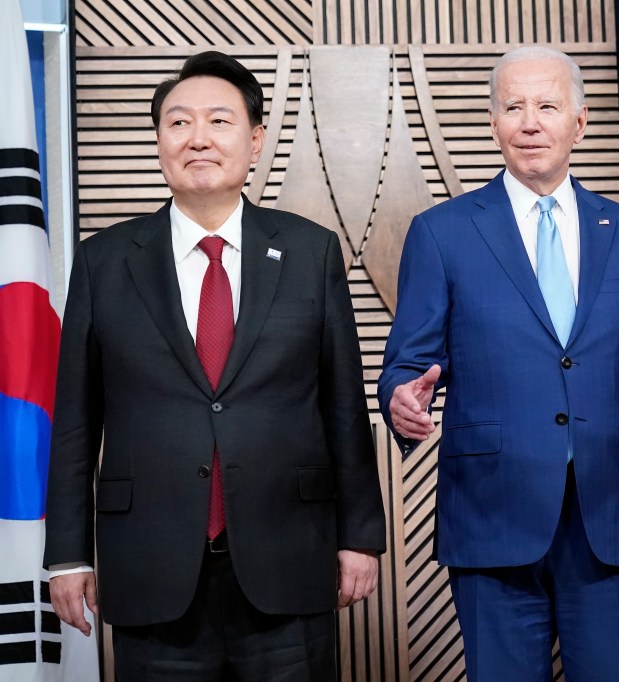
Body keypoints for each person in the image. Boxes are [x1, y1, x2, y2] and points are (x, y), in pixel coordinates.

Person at [377, 46, 619, 681]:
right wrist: (403, 400)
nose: (529, 122)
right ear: (493, 123)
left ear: (579, 120)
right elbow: (407, 362)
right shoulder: (443, 232)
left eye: (547, 106)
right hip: (492, 512)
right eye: (513, 107)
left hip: (608, 511)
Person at [43, 51, 386, 680]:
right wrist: (68, 556)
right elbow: (74, 421)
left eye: (219, 122)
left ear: (255, 141)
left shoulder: (311, 252)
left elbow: (342, 404)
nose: (197, 138)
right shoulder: (105, 261)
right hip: (151, 562)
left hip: (289, 555)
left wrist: (359, 535)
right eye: (178, 123)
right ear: (159, 142)